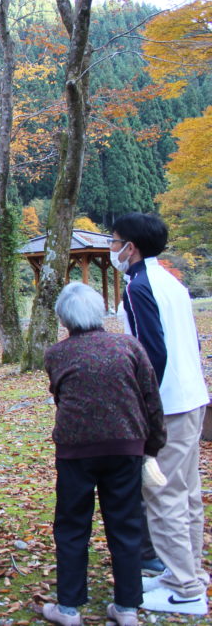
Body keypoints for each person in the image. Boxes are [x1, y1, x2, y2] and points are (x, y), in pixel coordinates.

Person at [41, 283, 166, 626]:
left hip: (75, 450)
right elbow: (151, 399)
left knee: (71, 526)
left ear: (64, 318)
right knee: (125, 524)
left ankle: (69, 608)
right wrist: (152, 446)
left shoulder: (56, 354)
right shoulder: (129, 346)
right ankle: (127, 607)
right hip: (125, 446)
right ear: (99, 311)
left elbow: (60, 395)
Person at [110, 212, 210, 616]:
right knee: (186, 491)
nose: (112, 248)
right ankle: (186, 572)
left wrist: (145, 408)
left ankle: (186, 590)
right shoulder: (171, 282)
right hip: (192, 398)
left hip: (168, 406)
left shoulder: (138, 288)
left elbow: (151, 352)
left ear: (130, 247)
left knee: (163, 493)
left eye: (114, 241)